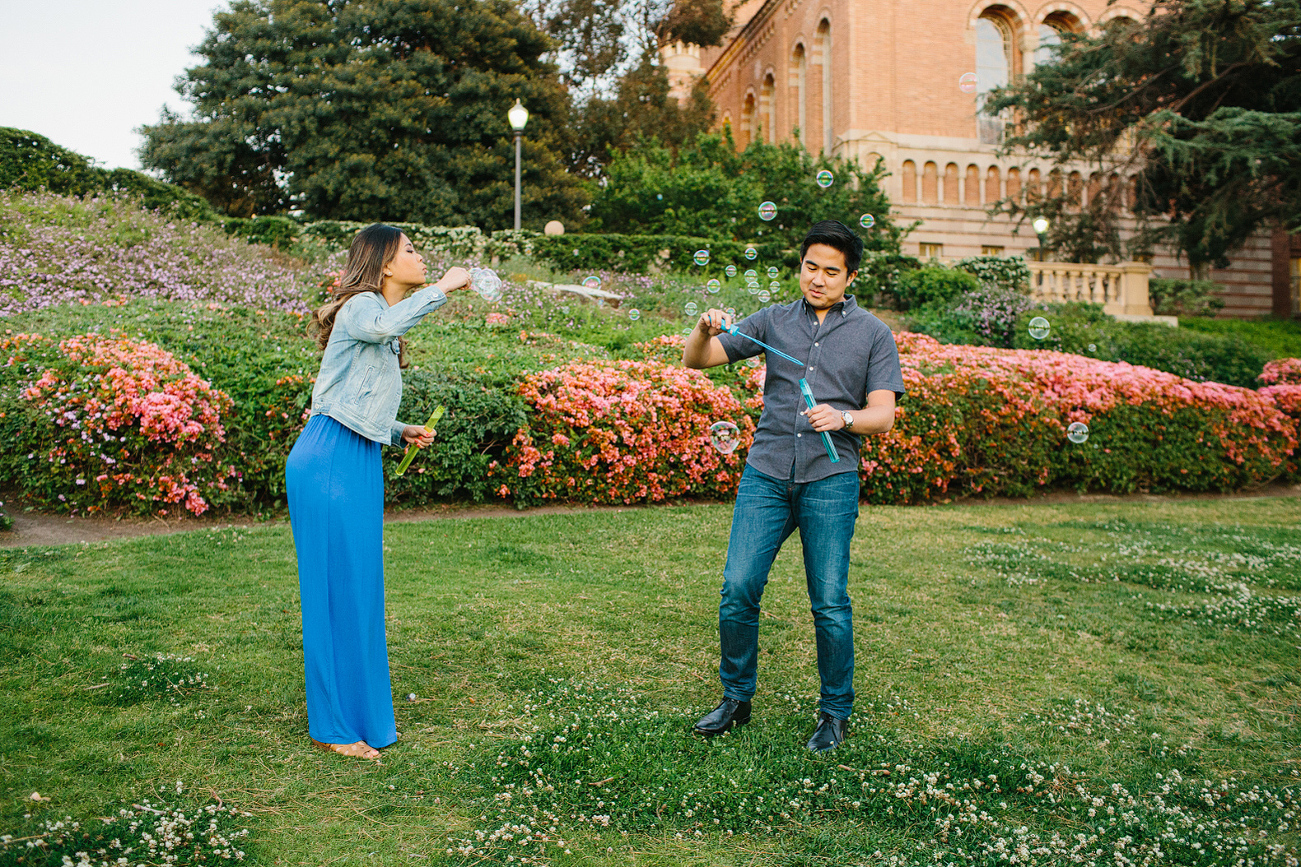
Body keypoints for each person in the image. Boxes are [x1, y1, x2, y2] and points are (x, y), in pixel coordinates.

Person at [682, 220, 905, 752]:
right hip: (766, 473)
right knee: (738, 588)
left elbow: (884, 415)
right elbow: (698, 360)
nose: (819, 279)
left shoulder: (873, 333)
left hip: (830, 480)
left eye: (832, 270)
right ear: (800, 267)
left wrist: (844, 419)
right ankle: (736, 699)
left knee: (828, 600)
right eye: (811, 267)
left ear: (850, 276)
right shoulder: (774, 321)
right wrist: (704, 328)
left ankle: (834, 713)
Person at [286, 224, 468, 760]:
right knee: (333, 591)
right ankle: (333, 726)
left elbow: (350, 398)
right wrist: (445, 289)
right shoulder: (363, 306)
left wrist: (399, 430)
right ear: (384, 264)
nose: (420, 257)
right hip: (327, 460)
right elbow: (381, 325)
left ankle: (360, 714)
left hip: (357, 456)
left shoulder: (380, 328)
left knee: (360, 590)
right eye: (410, 249)